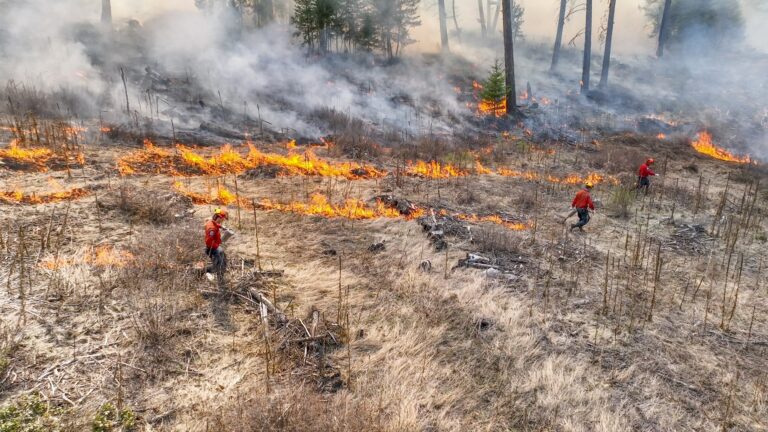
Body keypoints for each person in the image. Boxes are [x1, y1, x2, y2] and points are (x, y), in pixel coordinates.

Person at [204, 208, 228, 281]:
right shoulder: (212, 228)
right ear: (219, 218)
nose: (223, 221)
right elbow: (208, 242)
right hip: (212, 249)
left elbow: (215, 224)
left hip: (215, 246)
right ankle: (219, 279)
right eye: (223, 219)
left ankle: (218, 272)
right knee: (219, 264)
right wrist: (218, 247)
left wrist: (221, 227)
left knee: (223, 259)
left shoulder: (212, 222)